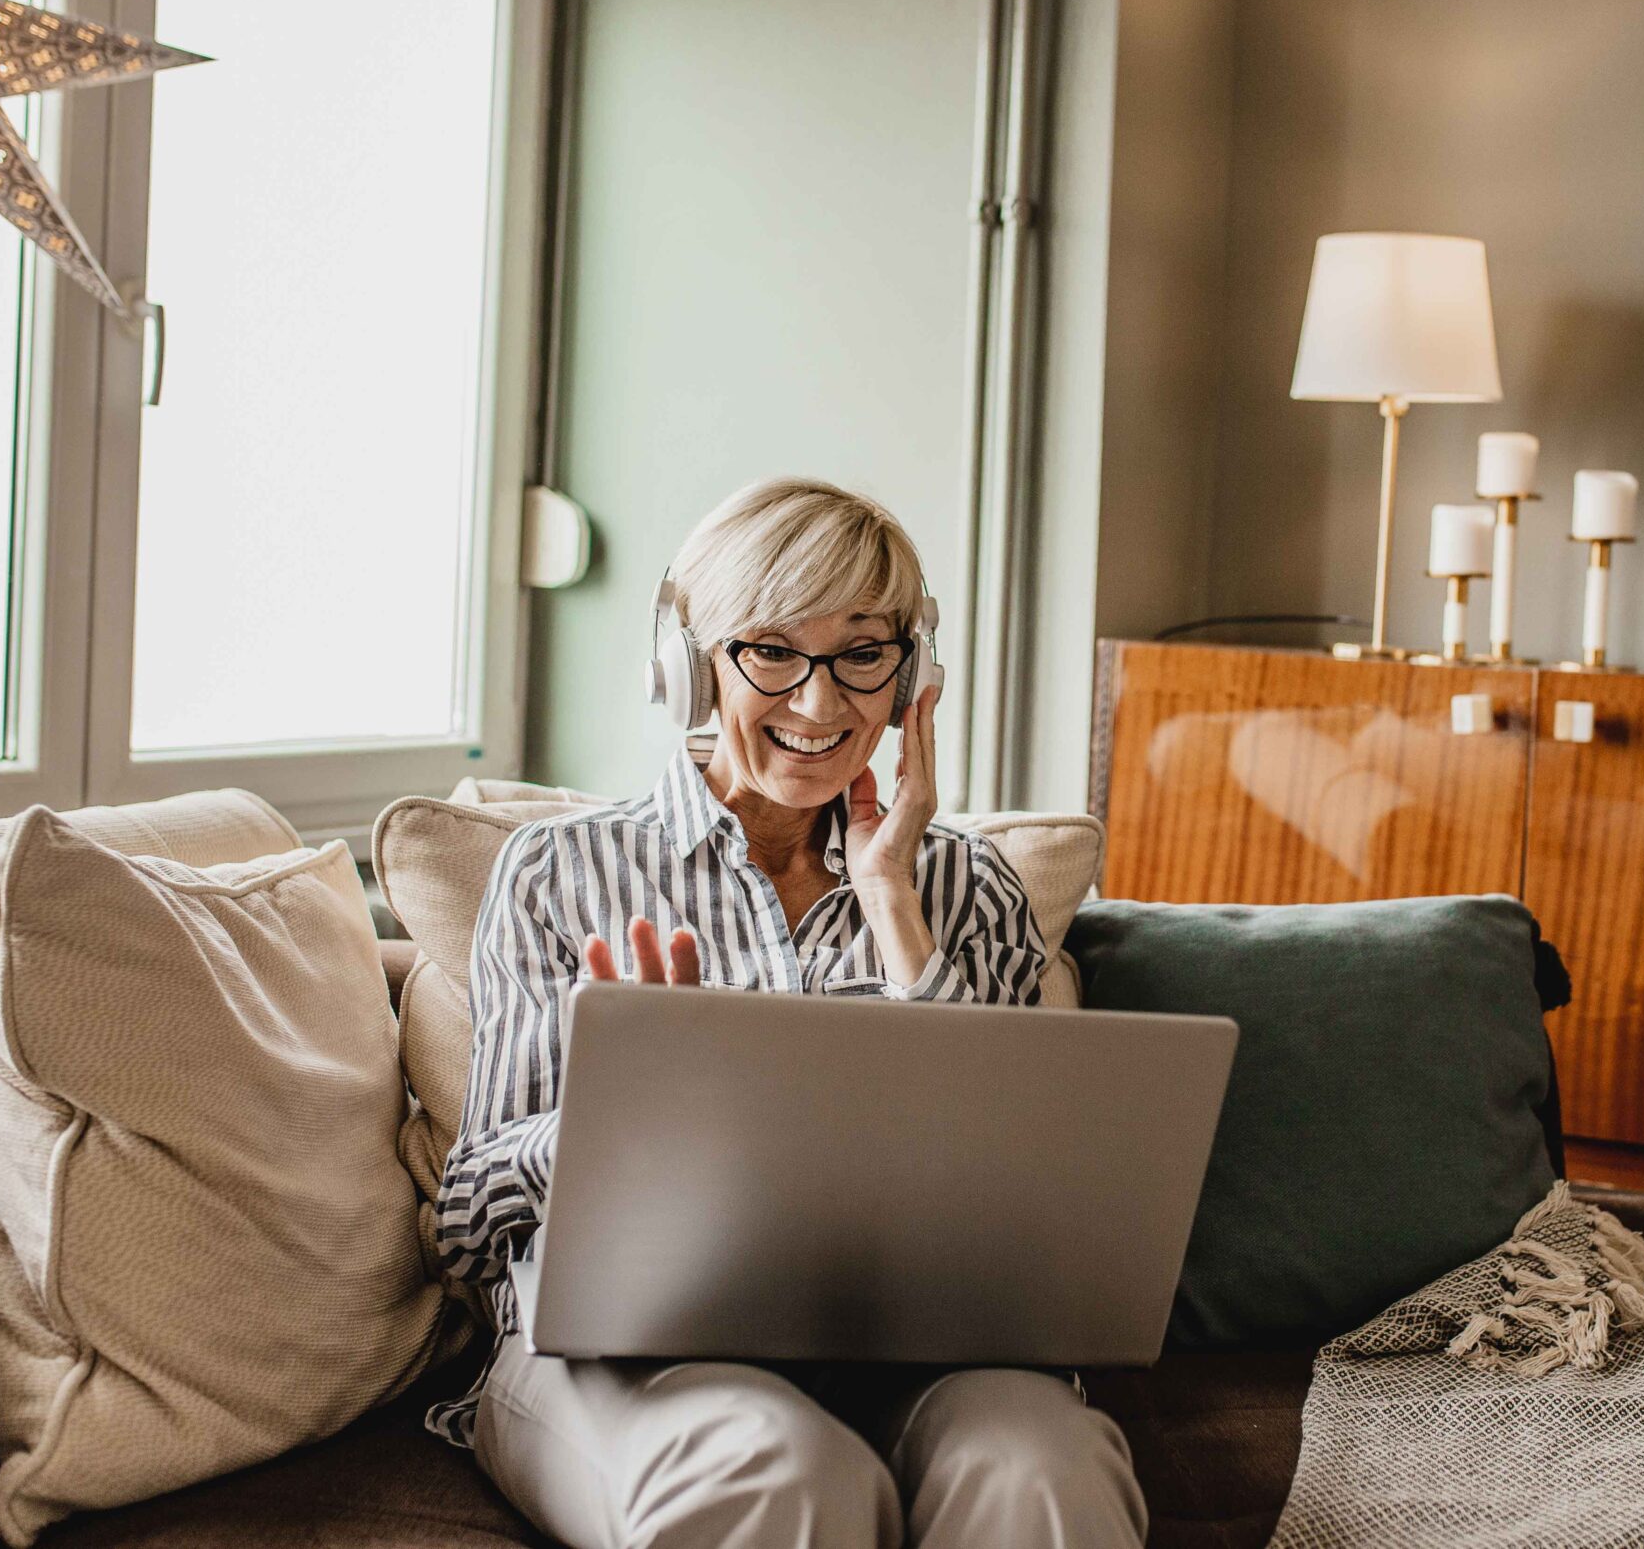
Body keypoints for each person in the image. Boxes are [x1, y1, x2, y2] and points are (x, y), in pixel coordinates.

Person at [425, 478, 1147, 1549]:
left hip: (918, 1352)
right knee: (776, 1473)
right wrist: (634, 1102)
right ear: (690, 666)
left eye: (862, 654)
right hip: (625, 1359)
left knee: (1043, 1466)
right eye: (771, 650)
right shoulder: (561, 874)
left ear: (913, 674)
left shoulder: (967, 889)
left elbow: (1011, 1196)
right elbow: (466, 1222)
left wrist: (892, 899)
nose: (821, 706)